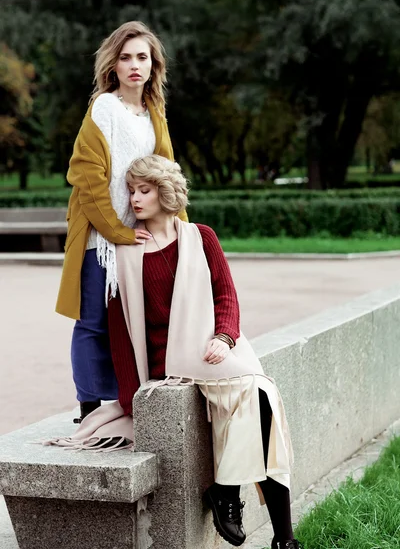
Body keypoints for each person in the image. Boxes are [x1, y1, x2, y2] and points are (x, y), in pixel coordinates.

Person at [106, 155, 302, 549]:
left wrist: (225, 336)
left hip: (213, 349)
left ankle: (257, 517)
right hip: (170, 361)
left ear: (165, 192)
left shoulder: (202, 236)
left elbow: (226, 294)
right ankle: (236, 502)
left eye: (144, 190)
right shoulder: (125, 253)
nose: (135, 199)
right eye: (131, 191)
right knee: (254, 395)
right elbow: (120, 332)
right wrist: (132, 400)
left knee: (259, 398)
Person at [55, 21, 187, 424]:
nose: (134, 65)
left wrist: (184, 230)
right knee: (93, 321)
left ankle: (124, 402)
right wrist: (117, 231)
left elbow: (165, 175)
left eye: (142, 57)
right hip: (102, 236)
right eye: (126, 57)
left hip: (142, 236)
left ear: (153, 65)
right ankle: (90, 407)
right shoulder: (104, 108)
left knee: (131, 322)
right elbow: (87, 176)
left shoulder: (154, 114)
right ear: (113, 64)